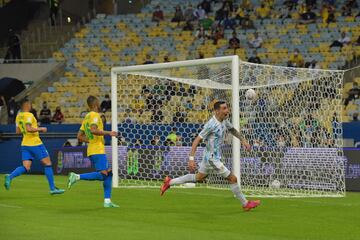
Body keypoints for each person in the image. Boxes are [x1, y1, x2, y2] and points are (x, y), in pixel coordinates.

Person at [160, 101, 260, 211]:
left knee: (198, 177)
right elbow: (196, 140)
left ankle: (169, 182)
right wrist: (191, 159)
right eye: (224, 108)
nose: (227, 110)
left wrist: (243, 140)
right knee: (233, 178)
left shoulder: (224, 120)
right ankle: (245, 204)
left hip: (209, 156)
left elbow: (232, 129)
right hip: (212, 159)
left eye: (227, 108)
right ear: (217, 111)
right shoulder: (211, 125)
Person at [4, 98, 65, 195]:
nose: (30, 105)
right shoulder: (29, 115)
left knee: (26, 167)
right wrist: (41, 129)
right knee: (48, 163)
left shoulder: (19, 116)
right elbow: (28, 128)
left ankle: (10, 177)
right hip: (35, 143)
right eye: (30, 104)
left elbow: (18, 131)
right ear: (27, 105)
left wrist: (28, 129)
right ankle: (52, 188)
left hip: (25, 144)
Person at [67, 96, 119, 208]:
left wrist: (90, 140)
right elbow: (93, 130)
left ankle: (107, 201)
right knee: (103, 175)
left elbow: (79, 136)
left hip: (92, 149)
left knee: (109, 173)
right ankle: (76, 177)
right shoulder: (95, 116)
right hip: (97, 150)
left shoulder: (86, 117)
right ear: (96, 104)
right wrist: (109, 133)